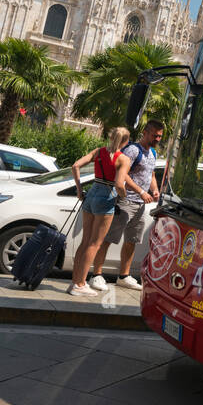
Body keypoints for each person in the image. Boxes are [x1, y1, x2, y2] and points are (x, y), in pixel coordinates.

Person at [101, 119, 165, 290]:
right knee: (109, 238)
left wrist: (154, 189)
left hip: (140, 205)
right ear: (145, 132)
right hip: (125, 200)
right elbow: (123, 175)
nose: (157, 139)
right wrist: (141, 191)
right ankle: (97, 274)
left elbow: (150, 174)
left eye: (160, 136)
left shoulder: (152, 153)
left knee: (132, 240)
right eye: (154, 135)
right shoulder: (132, 150)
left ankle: (124, 275)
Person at [67, 127, 129, 297]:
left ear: (111, 137)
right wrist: (124, 197)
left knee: (85, 241)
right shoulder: (123, 159)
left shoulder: (98, 152)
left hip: (92, 191)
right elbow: (119, 184)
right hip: (106, 196)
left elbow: (75, 165)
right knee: (95, 243)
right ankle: (80, 284)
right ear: (125, 142)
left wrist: (79, 190)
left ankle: (74, 282)